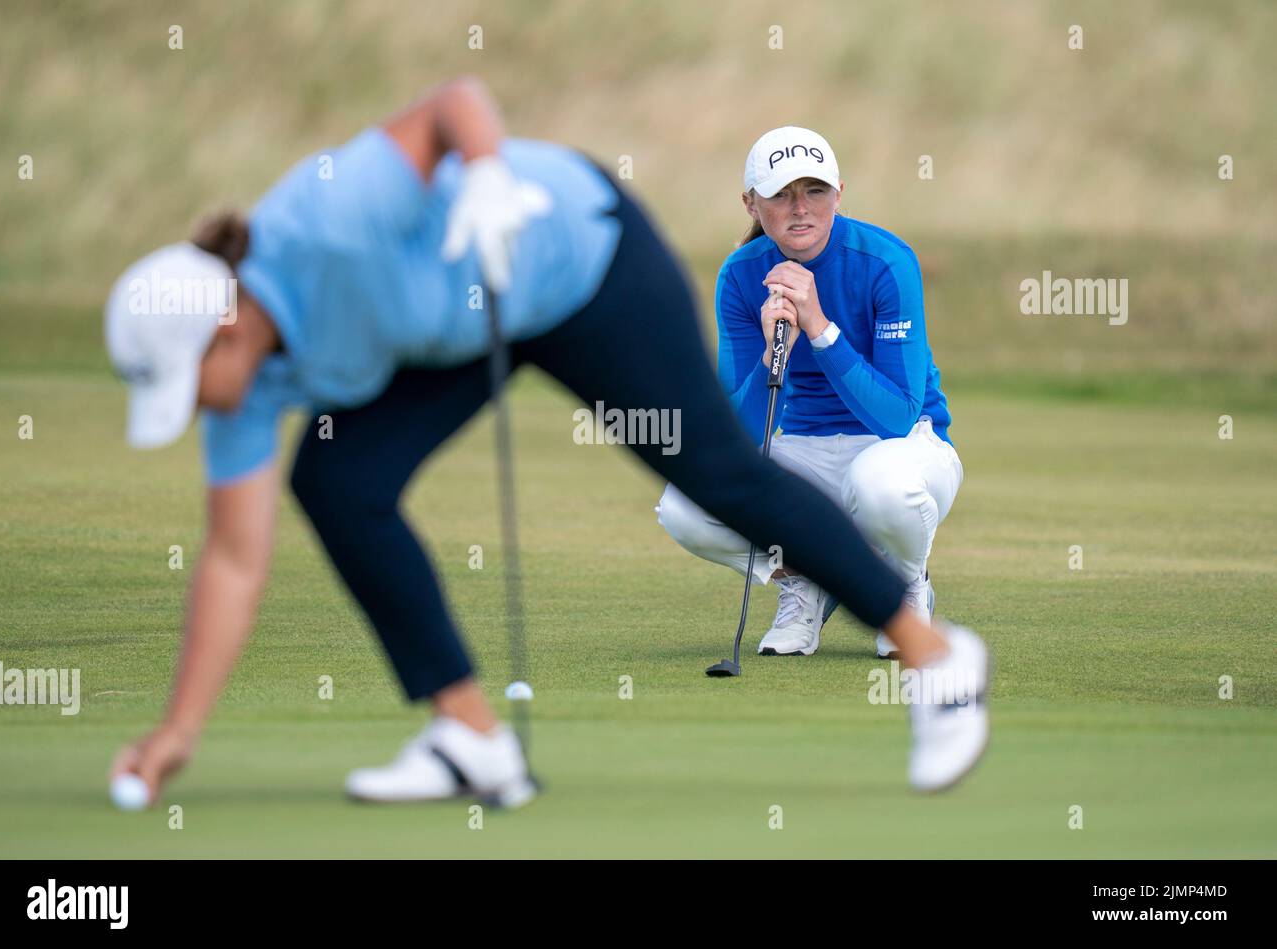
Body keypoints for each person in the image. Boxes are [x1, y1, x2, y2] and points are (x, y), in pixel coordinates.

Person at [106, 78, 989, 806]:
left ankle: (937, 656)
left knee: (719, 472)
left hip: (583, 262)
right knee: (338, 483)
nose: (194, 412)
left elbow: (453, 102)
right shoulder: (247, 382)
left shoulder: (324, 218)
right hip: (467, 322)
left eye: (187, 390)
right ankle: (470, 737)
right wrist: (178, 730)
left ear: (222, 328)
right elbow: (231, 555)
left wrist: (487, 178)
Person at [658, 126, 964, 661]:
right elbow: (738, 432)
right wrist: (768, 352)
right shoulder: (740, 276)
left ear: (839, 193)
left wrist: (821, 330)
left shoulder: (886, 262)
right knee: (682, 501)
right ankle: (804, 577)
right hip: (803, 447)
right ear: (752, 204)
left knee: (881, 485)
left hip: (908, 447)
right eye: (781, 194)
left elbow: (896, 416)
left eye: (815, 191)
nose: (801, 209)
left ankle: (905, 585)